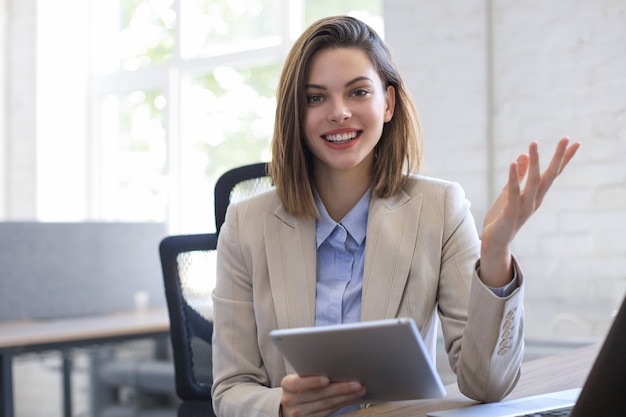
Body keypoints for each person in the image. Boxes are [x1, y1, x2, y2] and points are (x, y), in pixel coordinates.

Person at [210, 15, 580, 417]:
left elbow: (487, 385)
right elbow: (230, 389)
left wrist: (495, 256)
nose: (338, 113)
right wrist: (280, 406)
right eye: (315, 98)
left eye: (358, 92)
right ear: (294, 114)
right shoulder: (246, 224)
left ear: (386, 103)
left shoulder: (440, 208)